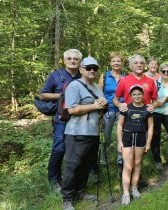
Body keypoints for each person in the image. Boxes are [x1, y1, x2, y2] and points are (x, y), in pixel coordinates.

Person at [61, 57, 108, 210]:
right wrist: (94, 105)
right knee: (72, 165)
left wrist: (103, 107)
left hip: (93, 132)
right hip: (76, 132)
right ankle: (67, 198)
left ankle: (80, 191)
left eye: (95, 68)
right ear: (81, 69)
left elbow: (99, 107)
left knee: (86, 164)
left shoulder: (97, 88)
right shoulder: (74, 86)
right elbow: (72, 109)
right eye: (88, 68)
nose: (92, 70)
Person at [39, 49, 82, 192]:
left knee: (76, 149)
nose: (72, 61)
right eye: (69, 58)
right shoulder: (56, 75)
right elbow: (43, 95)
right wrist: (61, 96)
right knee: (59, 148)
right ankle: (54, 179)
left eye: (75, 59)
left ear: (79, 61)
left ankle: (74, 180)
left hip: (79, 119)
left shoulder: (83, 76)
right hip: (61, 118)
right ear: (64, 60)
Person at [117, 85, 153, 205]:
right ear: (130, 96)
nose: (137, 96)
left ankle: (134, 188)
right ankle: (126, 193)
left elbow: (151, 126)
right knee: (127, 166)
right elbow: (119, 125)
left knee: (137, 164)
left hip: (141, 137)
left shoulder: (147, 109)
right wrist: (119, 142)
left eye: (139, 94)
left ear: (143, 95)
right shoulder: (126, 108)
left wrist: (148, 142)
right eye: (134, 94)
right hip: (127, 138)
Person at [98, 52, 125, 171]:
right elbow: (99, 93)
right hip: (108, 110)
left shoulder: (126, 76)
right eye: (114, 61)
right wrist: (100, 109)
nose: (116, 63)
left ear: (122, 63)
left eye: (118, 61)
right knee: (106, 137)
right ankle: (104, 161)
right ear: (110, 63)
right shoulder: (104, 76)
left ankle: (121, 160)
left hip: (122, 110)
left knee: (122, 136)